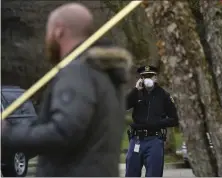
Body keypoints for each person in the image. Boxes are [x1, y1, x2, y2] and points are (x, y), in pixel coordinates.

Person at [1, 3, 132, 177]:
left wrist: (7, 133)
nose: (47, 39)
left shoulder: (77, 72)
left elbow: (63, 133)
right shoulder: (106, 75)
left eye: (48, 32)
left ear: (59, 31)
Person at [125, 65, 179, 177]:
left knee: (154, 174)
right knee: (131, 174)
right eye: (144, 76)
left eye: (150, 76)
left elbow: (174, 119)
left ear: (156, 78)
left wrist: (157, 123)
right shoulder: (137, 93)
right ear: (141, 79)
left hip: (154, 140)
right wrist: (135, 90)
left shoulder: (163, 95)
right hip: (136, 140)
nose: (148, 79)